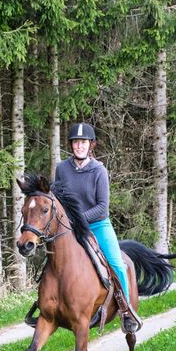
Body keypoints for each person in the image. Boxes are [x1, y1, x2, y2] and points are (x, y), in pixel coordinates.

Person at [53, 122, 131, 308]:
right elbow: (57, 198)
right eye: (76, 142)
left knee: (117, 264)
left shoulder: (99, 171)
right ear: (71, 145)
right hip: (69, 227)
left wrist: (77, 219)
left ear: (91, 145)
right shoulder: (61, 169)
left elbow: (102, 207)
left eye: (84, 142)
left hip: (98, 225)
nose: (79, 146)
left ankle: (127, 310)